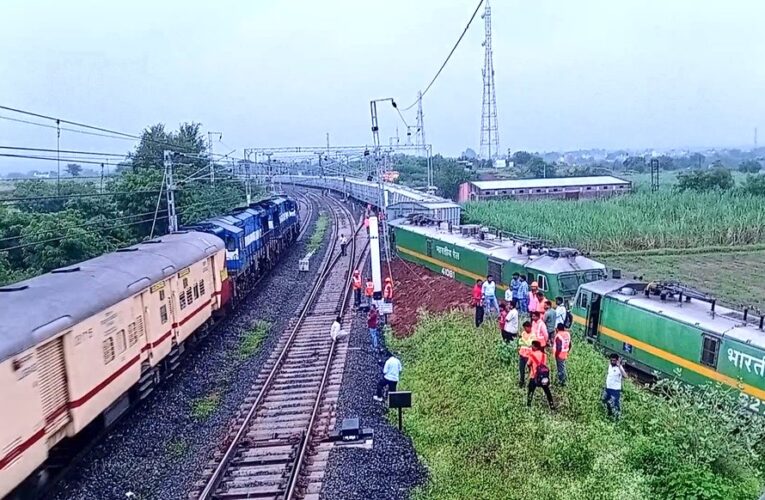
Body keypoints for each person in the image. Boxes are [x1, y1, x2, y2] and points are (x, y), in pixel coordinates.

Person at [527, 341, 554, 409]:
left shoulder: (532, 355)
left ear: (536, 347)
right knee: (547, 391)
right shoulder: (544, 355)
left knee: (531, 391)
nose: (531, 347)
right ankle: (551, 405)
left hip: (534, 376)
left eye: (532, 346)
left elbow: (528, 364)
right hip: (543, 376)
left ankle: (528, 405)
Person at [603, 353, 627, 417]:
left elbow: (625, 376)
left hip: (615, 390)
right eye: (611, 360)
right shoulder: (610, 365)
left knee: (615, 404)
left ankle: (617, 417)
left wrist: (619, 366)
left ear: (617, 360)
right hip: (608, 388)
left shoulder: (619, 368)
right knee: (605, 401)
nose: (612, 362)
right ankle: (609, 414)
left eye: (614, 360)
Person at [518, 321, 534, 387]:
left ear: (529, 327)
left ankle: (529, 382)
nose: (525, 329)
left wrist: (522, 339)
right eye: (524, 328)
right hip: (522, 354)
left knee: (530, 369)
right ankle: (522, 381)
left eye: (526, 328)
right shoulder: (523, 333)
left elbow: (529, 344)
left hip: (529, 355)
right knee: (521, 369)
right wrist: (524, 341)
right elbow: (519, 342)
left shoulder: (533, 335)